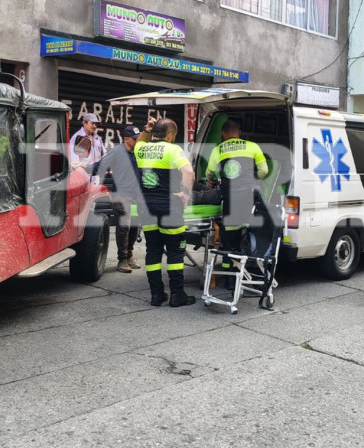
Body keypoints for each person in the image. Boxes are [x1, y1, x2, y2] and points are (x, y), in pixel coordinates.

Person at [134, 118, 196, 307]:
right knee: (175, 252)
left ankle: (156, 295)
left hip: (146, 207)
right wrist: (185, 194)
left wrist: (147, 129)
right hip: (168, 207)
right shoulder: (173, 150)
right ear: (170, 135)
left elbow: (138, 143)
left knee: (153, 250)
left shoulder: (141, 149)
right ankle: (177, 295)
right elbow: (189, 172)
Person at [205, 120, 269, 290]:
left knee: (229, 240)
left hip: (230, 200)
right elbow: (264, 170)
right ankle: (251, 271)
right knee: (248, 236)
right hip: (250, 199)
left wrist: (212, 180)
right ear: (238, 133)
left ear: (223, 134)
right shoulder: (252, 146)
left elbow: (210, 172)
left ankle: (230, 280)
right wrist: (253, 180)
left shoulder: (218, 149)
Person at [93, 123, 150, 273]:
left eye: (138, 138)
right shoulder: (117, 152)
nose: (137, 140)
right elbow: (101, 165)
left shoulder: (138, 152)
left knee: (134, 227)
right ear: (126, 139)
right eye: (134, 138)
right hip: (121, 194)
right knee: (123, 227)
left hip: (136, 195)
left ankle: (129, 255)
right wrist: (83, 168)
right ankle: (122, 259)